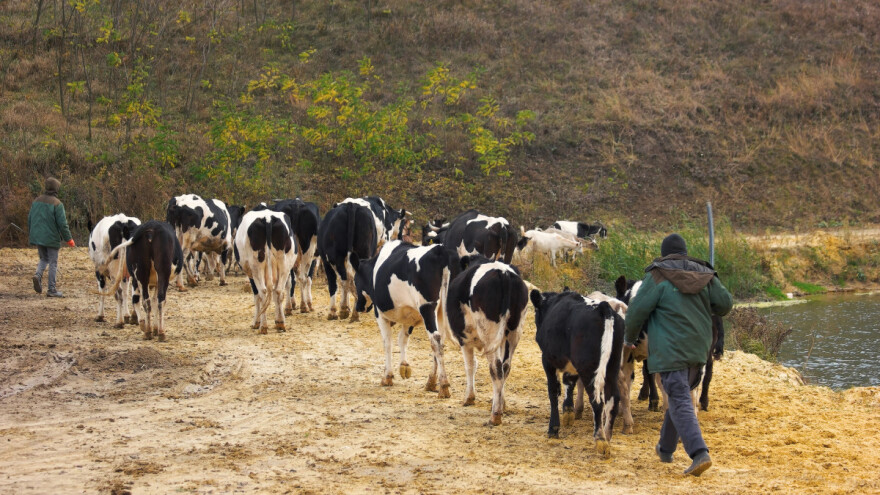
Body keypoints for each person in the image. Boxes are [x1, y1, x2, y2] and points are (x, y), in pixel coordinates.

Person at [624, 233, 732, 477]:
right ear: (685, 252)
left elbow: (636, 311)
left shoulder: (657, 275)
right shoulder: (704, 274)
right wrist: (705, 303)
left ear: (664, 254)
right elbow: (725, 304)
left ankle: (699, 453)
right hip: (699, 348)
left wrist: (629, 339)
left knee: (680, 399)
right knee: (678, 395)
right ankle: (665, 449)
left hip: (670, 350)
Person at [28, 177, 75, 298]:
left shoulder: (36, 201)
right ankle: (51, 290)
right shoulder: (57, 204)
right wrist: (69, 239)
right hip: (51, 238)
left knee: (44, 258)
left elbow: (30, 219)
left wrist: (32, 233)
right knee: (53, 262)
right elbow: (63, 224)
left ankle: (38, 275)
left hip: (38, 237)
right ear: (56, 189)